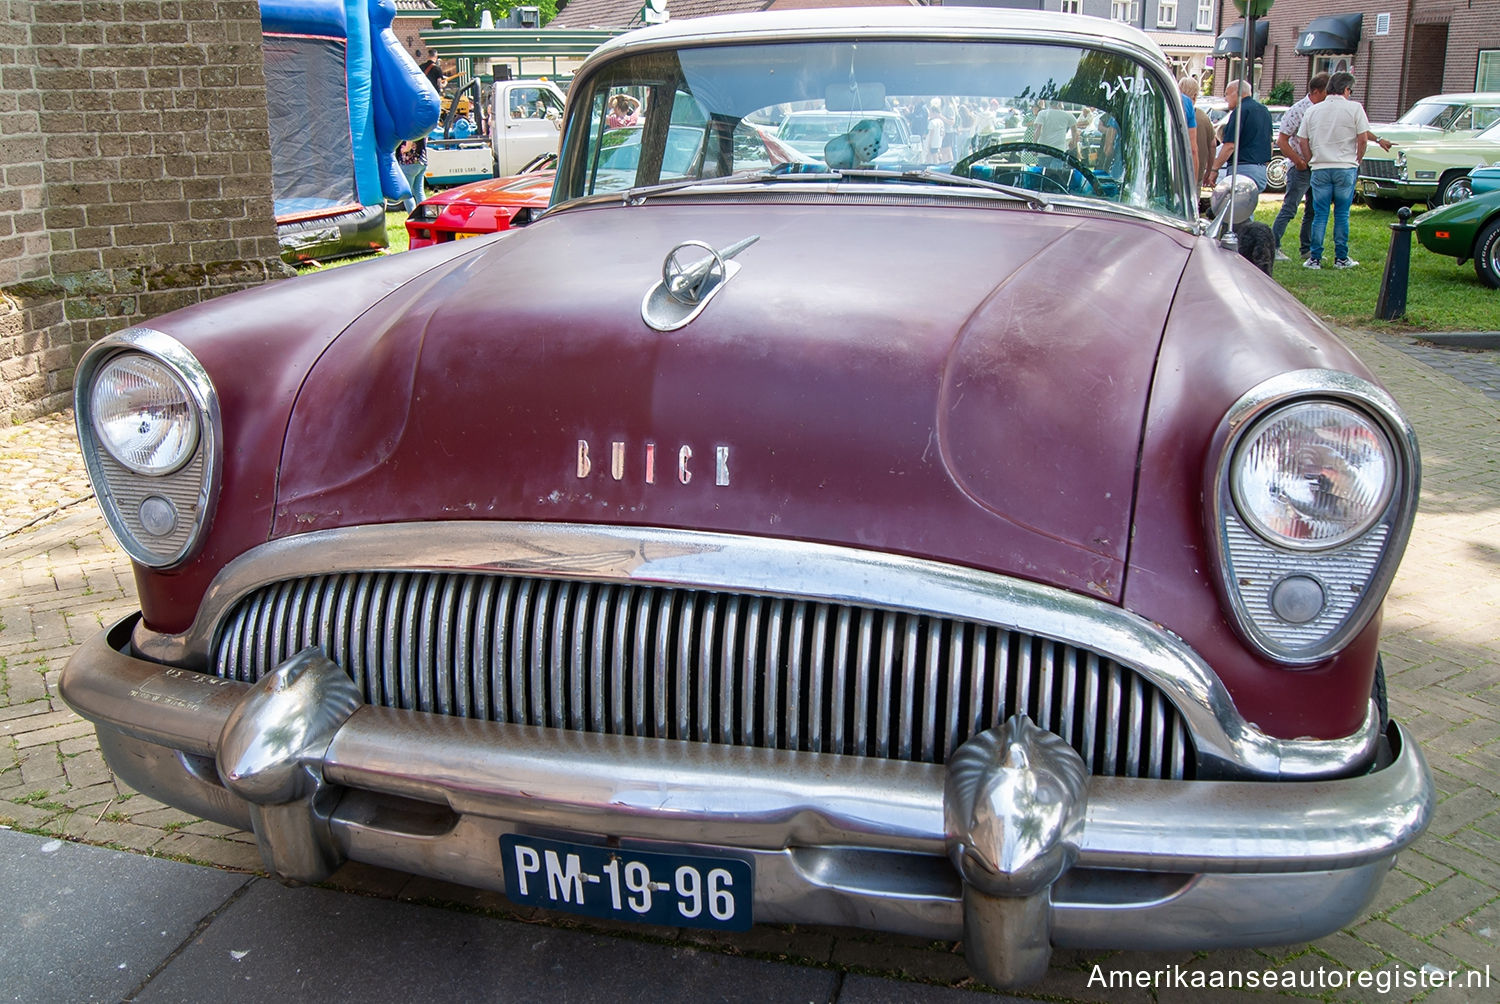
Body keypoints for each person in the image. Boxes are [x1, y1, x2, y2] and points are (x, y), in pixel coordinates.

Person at [1297, 71, 1393, 269]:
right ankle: (1341, 257)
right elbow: (1362, 137)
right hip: (1345, 166)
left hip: (1320, 166)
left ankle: (1314, 257)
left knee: (1320, 213)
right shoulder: (1355, 108)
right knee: (1342, 214)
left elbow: (1302, 139)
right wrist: (1358, 158)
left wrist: (1310, 159)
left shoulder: (1313, 110)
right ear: (1346, 89)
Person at [1269, 73, 1328, 262]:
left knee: (1313, 209)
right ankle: (1273, 245)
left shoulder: (1322, 110)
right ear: (1317, 91)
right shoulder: (1298, 110)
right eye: (1327, 92)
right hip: (1301, 167)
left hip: (1316, 166)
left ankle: (1307, 248)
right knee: (1290, 207)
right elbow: (1282, 140)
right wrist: (1299, 162)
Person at [1205, 80, 1272, 192]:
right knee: (1247, 208)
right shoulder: (1264, 111)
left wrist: (1214, 169)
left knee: (1232, 207)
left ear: (1236, 92)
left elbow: (1230, 145)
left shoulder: (1239, 111)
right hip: (1260, 170)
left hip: (1242, 169)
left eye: (1226, 94)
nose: (1225, 99)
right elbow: (1270, 143)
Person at [1178, 76, 1200, 184]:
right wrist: (1193, 185)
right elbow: (1193, 149)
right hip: (1177, 167)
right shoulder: (1187, 103)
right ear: (1195, 95)